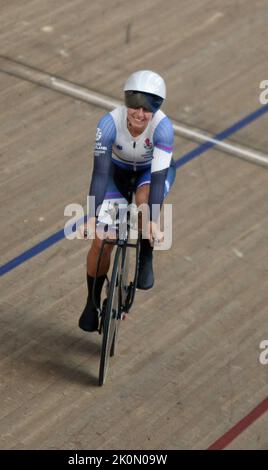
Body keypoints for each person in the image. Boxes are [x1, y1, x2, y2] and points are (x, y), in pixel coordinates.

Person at [78, 70, 176, 332]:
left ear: (157, 108)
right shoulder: (108, 124)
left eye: (147, 108)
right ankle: (92, 301)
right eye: (135, 106)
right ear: (126, 102)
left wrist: (153, 222)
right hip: (115, 174)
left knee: (144, 202)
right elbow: (99, 173)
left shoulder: (163, 130)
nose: (139, 114)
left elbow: (157, 178)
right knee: (101, 241)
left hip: (148, 175)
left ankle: (146, 254)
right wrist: (91, 216)